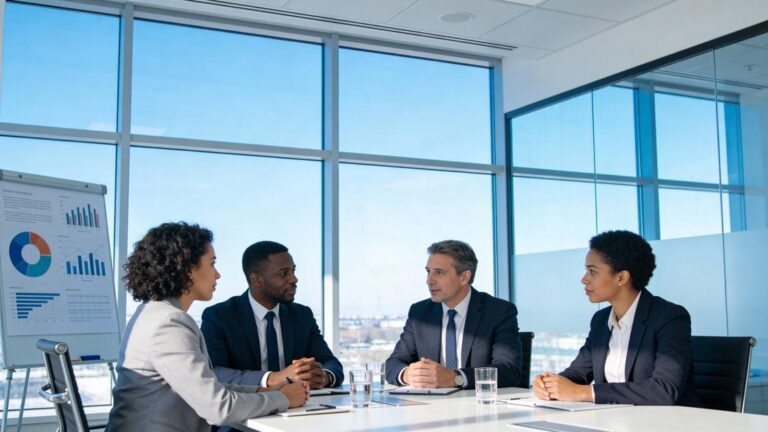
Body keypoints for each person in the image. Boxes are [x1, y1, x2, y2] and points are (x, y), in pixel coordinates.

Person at [107, 223, 308, 432]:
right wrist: (282, 399)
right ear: (186, 269)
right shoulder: (169, 324)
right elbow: (218, 407)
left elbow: (207, 386)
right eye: (212, 264)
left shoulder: (154, 314)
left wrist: (264, 391)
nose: (218, 274)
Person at [533, 230, 700, 406]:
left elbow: (664, 390)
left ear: (621, 277)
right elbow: (579, 373)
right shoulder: (600, 320)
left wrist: (584, 392)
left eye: (592, 271)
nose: (584, 279)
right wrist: (550, 385)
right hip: (613, 420)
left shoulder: (669, 317)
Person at [202, 241, 343, 389]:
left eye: (293, 271)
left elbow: (330, 362)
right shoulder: (219, 316)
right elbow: (215, 372)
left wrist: (324, 377)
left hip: (301, 406)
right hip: (249, 407)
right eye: (283, 273)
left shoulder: (302, 315)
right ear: (256, 279)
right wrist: (272, 378)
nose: (294, 279)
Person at [385, 240, 523, 389]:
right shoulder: (419, 313)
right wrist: (407, 374)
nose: (429, 280)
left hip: (477, 406)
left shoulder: (499, 311)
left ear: (464, 277)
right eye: (428, 271)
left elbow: (508, 371)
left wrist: (455, 378)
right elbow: (393, 363)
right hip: (429, 407)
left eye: (439, 272)